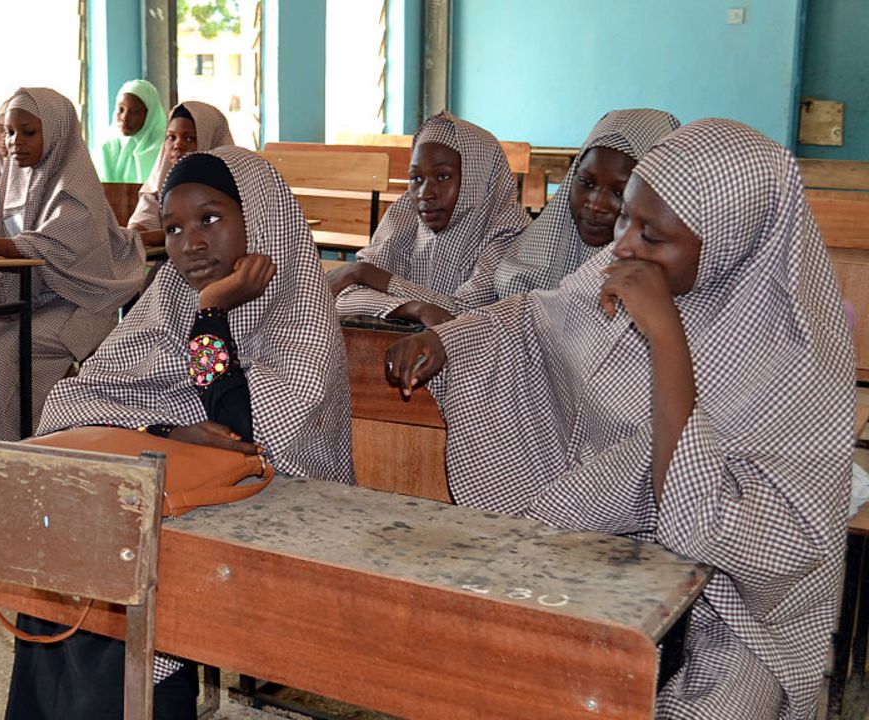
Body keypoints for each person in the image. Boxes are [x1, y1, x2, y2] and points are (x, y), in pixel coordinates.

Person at [384, 119, 853, 719]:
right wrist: (451, 340)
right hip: (608, 549)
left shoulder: (800, 362)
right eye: (628, 217)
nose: (624, 243)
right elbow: (536, 319)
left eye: (653, 234)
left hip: (736, 611)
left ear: (731, 240)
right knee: (499, 673)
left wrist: (665, 334)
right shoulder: (624, 268)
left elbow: (720, 530)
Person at [8, 145, 354, 719]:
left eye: (211, 219)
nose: (191, 243)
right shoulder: (169, 293)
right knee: (68, 550)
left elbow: (250, 434)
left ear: (259, 215)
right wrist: (167, 429)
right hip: (180, 492)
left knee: (128, 577)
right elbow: (76, 397)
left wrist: (212, 314)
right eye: (173, 228)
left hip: (277, 508)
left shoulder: (300, 307)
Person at [0, 87, 144, 439]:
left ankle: (8, 446)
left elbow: (52, 246)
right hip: (31, 301)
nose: (15, 143)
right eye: (10, 133)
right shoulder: (16, 178)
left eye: (28, 133)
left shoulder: (76, 187)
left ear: (56, 132)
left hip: (79, 305)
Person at [431, 109, 681, 317]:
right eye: (586, 183)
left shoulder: (657, 285)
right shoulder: (528, 256)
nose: (595, 204)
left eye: (620, 191)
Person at [328, 111, 528, 326]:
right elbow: (343, 297)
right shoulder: (405, 215)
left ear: (477, 178)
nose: (425, 193)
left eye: (443, 177)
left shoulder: (509, 231)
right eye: (416, 178)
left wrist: (365, 273)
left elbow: (463, 315)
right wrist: (415, 309)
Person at [128, 102, 235, 247]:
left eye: (189, 138)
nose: (177, 145)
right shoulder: (161, 181)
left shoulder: (226, 186)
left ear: (209, 140)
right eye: (171, 137)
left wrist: (141, 238)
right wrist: (132, 234)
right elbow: (145, 217)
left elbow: (192, 232)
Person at [95, 79, 166, 183]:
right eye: (121, 109)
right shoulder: (106, 148)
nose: (125, 117)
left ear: (149, 115)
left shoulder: (162, 150)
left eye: (134, 112)